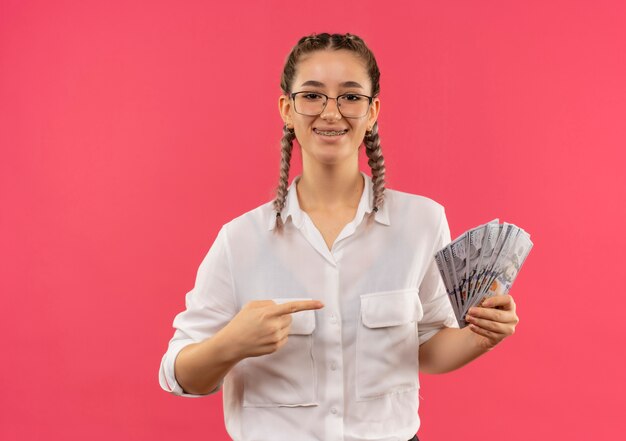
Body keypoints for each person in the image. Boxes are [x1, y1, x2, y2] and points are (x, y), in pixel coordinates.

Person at [158, 32, 519, 441]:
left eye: (350, 97)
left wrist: (481, 335)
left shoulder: (422, 222)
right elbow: (176, 374)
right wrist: (232, 343)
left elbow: (427, 347)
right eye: (312, 96)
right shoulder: (239, 240)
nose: (332, 113)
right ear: (287, 109)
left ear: (373, 111)